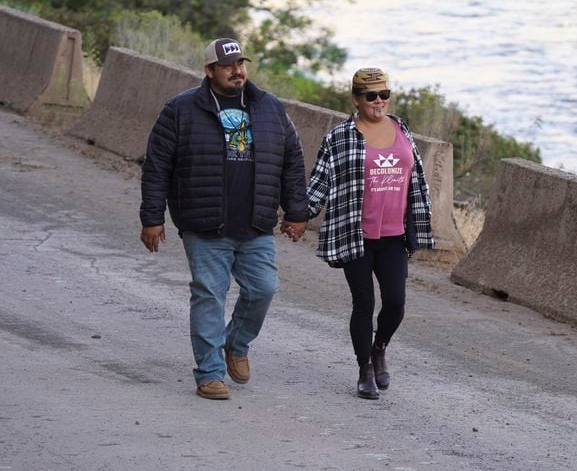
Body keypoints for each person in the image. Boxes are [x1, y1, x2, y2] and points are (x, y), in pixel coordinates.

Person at [139, 38, 308, 400]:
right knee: (209, 295)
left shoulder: (270, 108)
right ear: (210, 71)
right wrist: (152, 217)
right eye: (228, 65)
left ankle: (236, 344)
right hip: (204, 223)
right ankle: (210, 373)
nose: (237, 71)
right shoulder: (181, 110)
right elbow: (157, 166)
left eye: (241, 64)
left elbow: (292, 162)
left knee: (264, 288)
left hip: (256, 222)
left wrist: (296, 211)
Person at [305, 67, 434, 399]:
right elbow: (320, 182)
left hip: (394, 235)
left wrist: (420, 223)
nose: (379, 102)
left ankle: (379, 348)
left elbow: (416, 180)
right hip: (355, 234)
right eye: (370, 96)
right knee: (364, 302)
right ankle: (364, 370)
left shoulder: (402, 130)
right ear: (356, 99)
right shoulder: (340, 136)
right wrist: (298, 216)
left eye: (384, 95)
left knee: (395, 302)